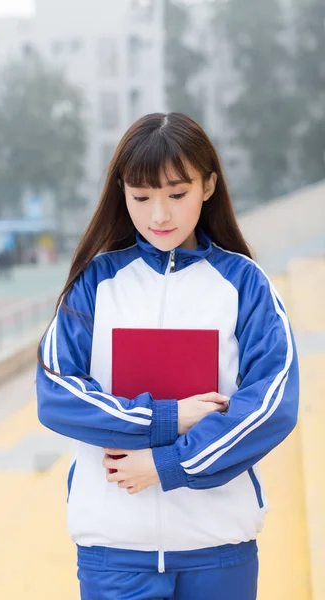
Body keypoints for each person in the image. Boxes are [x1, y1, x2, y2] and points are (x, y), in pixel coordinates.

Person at [36, 113, 299, 600]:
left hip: (218, 547)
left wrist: (169, 466)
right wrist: (167, 418)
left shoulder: (245, 284)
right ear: (122, 192)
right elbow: (56, 393)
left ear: (209, 185)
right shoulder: (95, 284)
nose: (160, 215)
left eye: (177, 194)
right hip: (114, 550)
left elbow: (271, 403)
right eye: (142, 197)